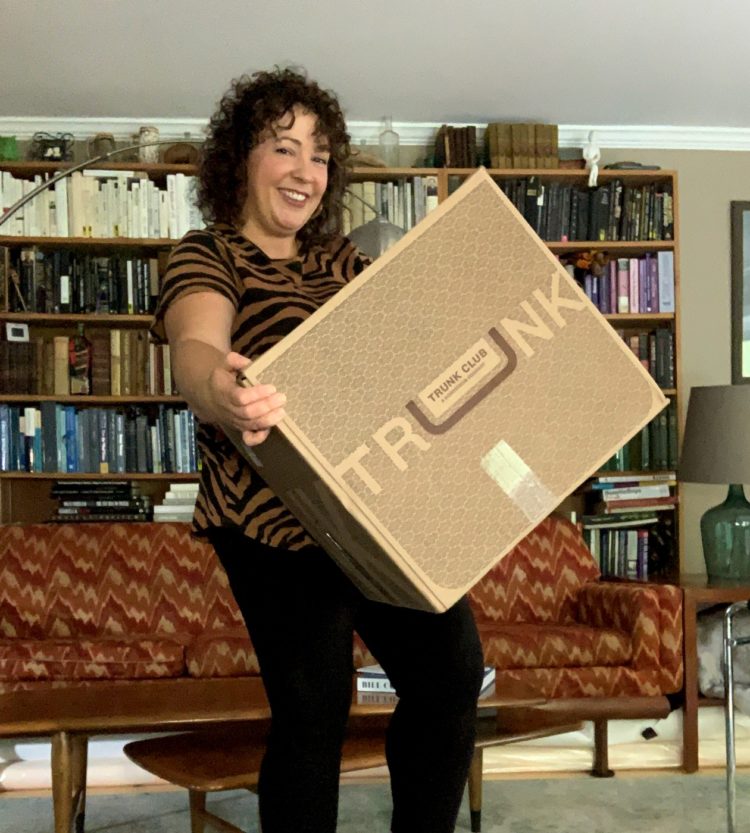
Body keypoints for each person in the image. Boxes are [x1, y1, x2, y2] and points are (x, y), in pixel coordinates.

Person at [151, 67, 485, 833]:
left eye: (322, 155)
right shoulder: (207, 255)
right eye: (285, 148)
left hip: (372, 503)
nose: (306, 171)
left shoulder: (342, 264)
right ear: (240, 158)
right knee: (313, 705)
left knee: (451, 673)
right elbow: (196, 349)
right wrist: (225, 389)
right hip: (269, 523)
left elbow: (402, 358)